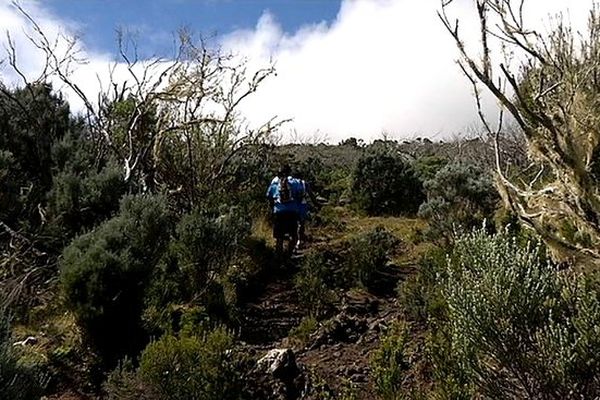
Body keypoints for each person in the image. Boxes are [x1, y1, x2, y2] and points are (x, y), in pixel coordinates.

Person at [266, 165, 303, 255]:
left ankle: (279, 257)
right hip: (292, 212)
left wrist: (273, 208)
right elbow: (301, 193)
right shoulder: (295, 183)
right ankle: (289, 254)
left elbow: (268, 196)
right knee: (293, 235)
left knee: (279, 237)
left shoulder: (274, 184)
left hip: (279, 212)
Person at [295, 173, 320, 249]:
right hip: (302, 205)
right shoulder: (304, 183)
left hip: (292, 205)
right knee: (301, 223)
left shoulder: (290, 182)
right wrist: (317, 204)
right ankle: (299, 241)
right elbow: (311, 195)